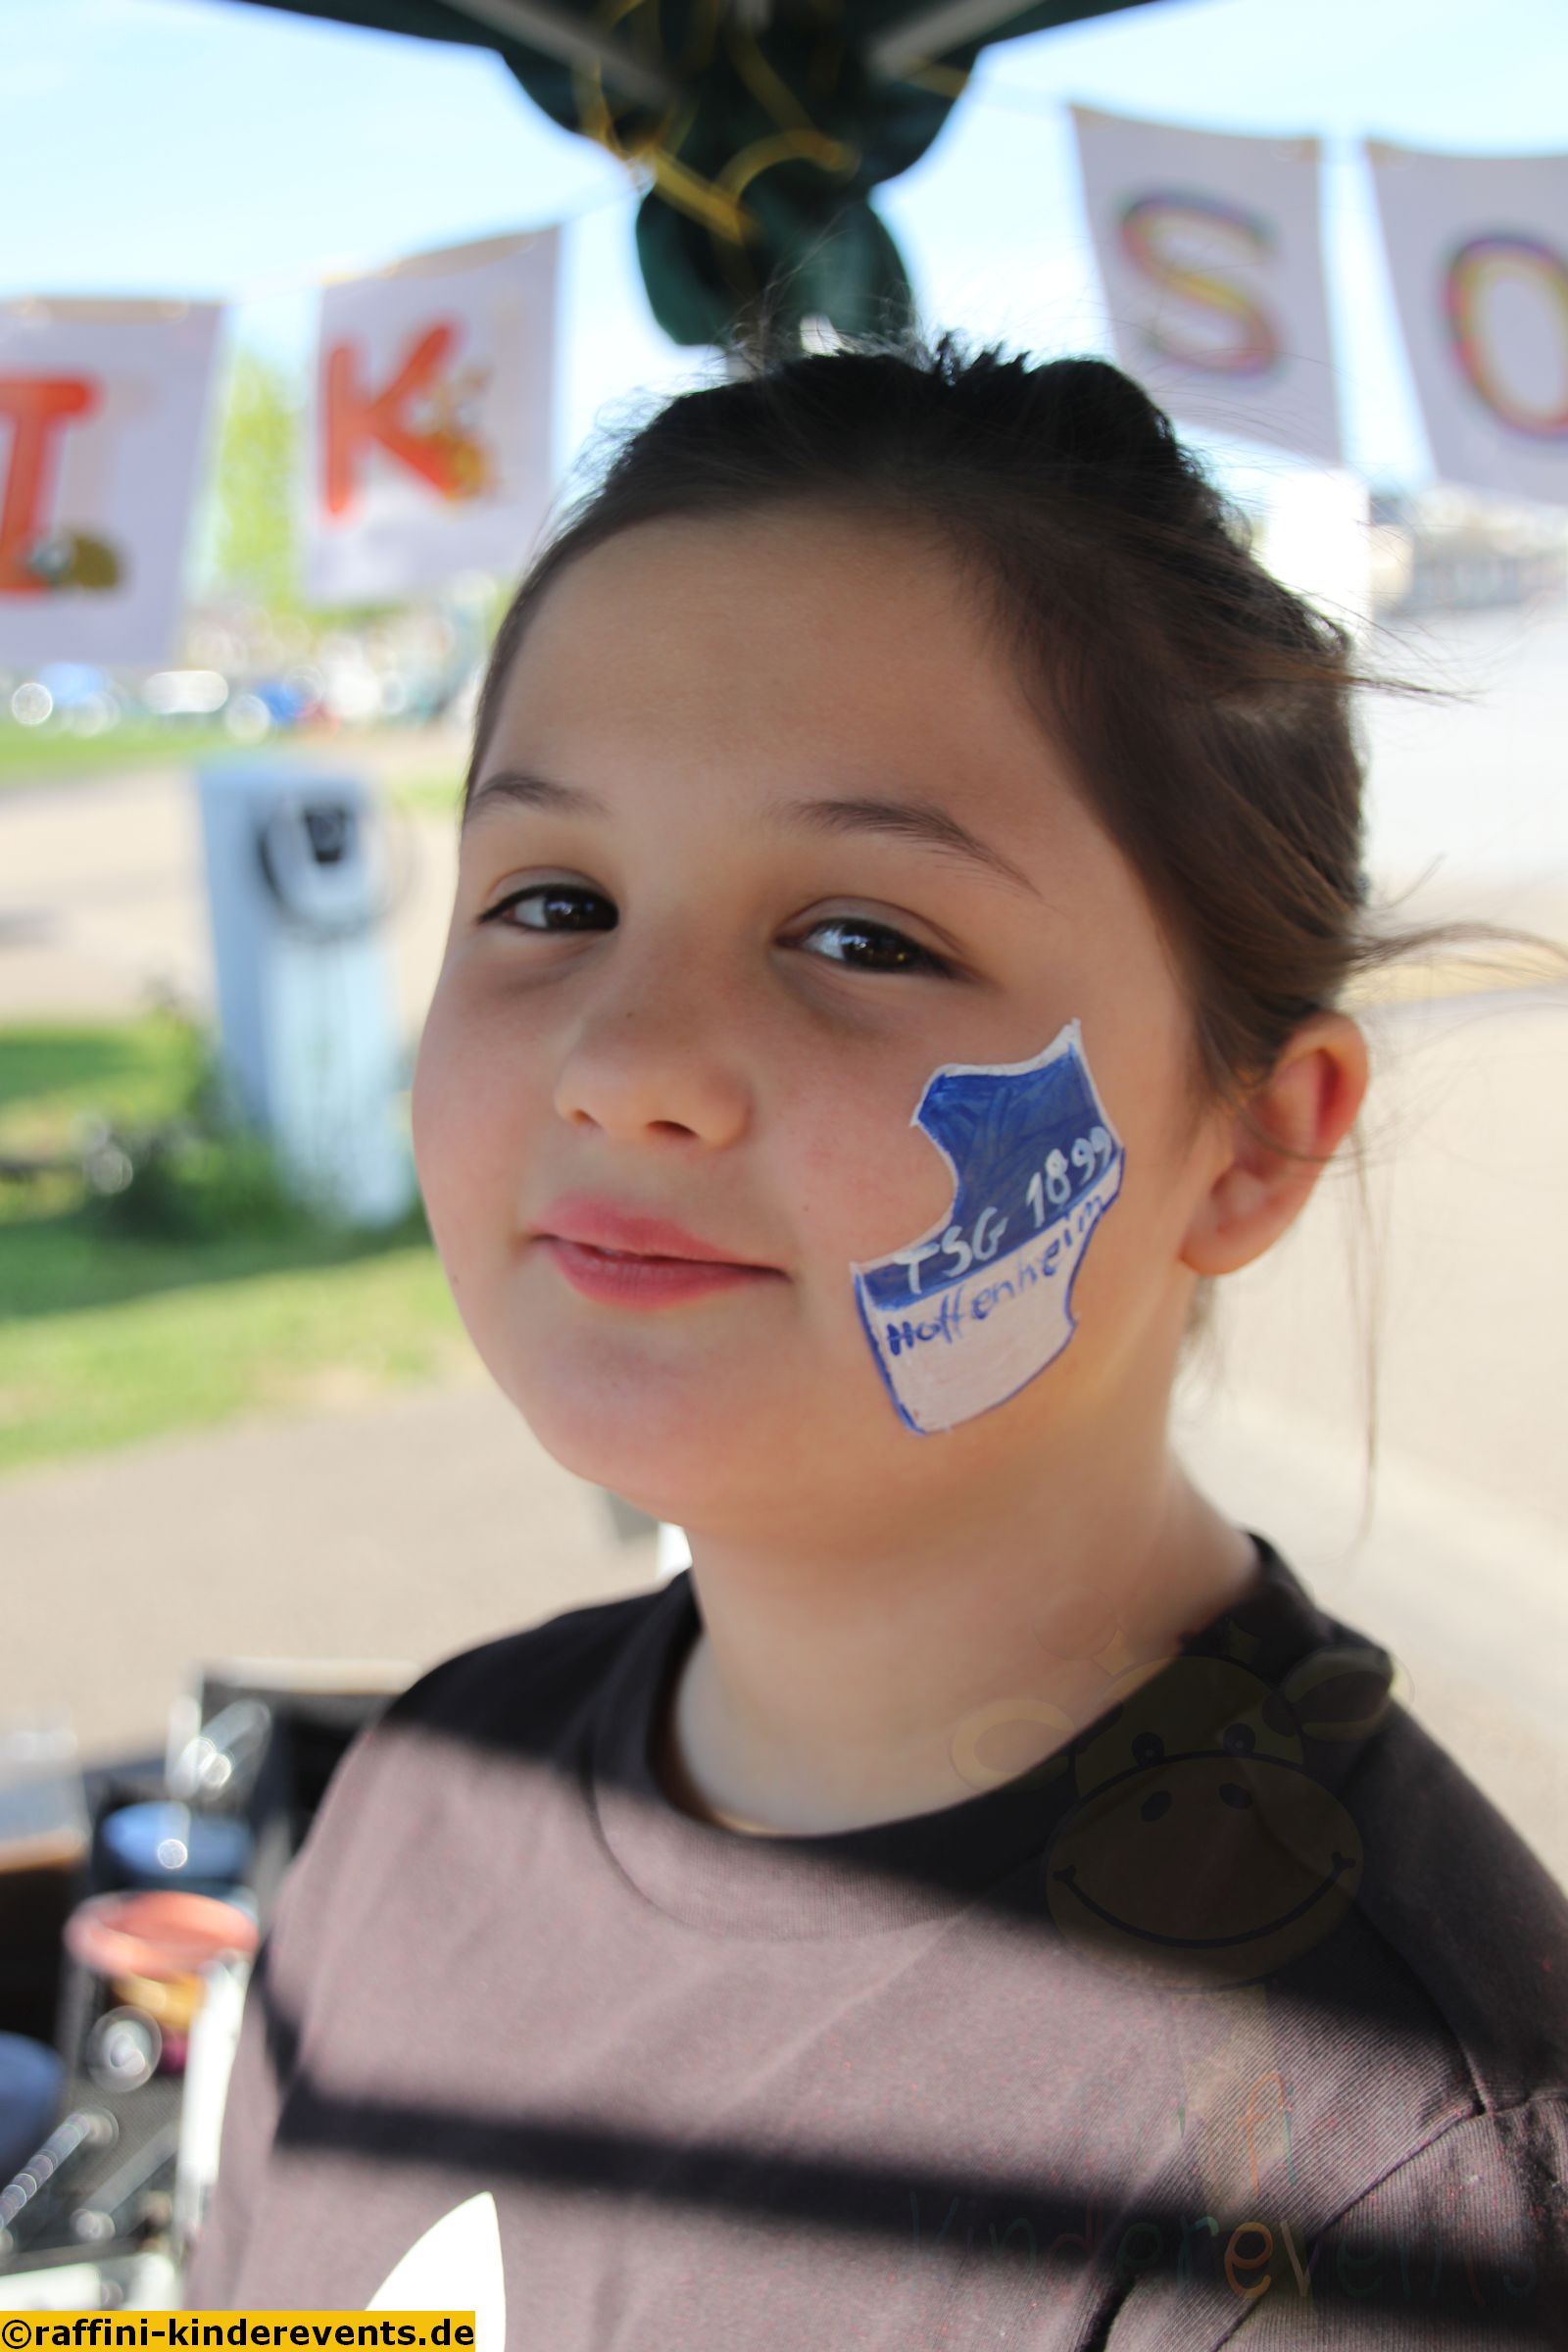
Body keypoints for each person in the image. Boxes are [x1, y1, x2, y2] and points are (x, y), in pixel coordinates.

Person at [180, 328, 1568, 2340]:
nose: (624, 1065)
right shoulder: (423, 1795)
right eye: (553, 900)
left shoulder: (1367, 2189)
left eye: (862, 939)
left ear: (1256, 1143)